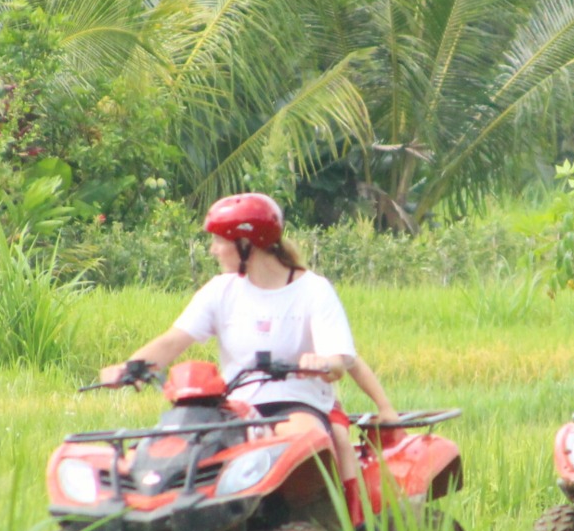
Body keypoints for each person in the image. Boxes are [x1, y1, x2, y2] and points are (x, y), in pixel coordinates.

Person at [99, 192, 397, 480]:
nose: (212, 249)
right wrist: (130, 367)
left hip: (297, 404)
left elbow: (339, 358)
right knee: (172, 453)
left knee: (302, 447)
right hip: (233, 409)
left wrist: (324, 362)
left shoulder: (313, 291)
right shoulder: (220, 290)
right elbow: (173, 341)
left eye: (218, 240)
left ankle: (347, 524)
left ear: (246, 244)